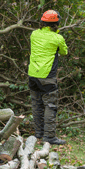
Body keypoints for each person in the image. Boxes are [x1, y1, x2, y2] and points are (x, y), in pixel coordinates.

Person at [28, 10, 68, 145]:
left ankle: (38, 132)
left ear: (42, 22)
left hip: (33, 75)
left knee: (36, 104)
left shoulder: (34, 34)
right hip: (47, 77)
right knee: (50, 105)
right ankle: (49, 136)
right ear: (56, 24)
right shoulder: (57, 38)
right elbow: (64, 51)